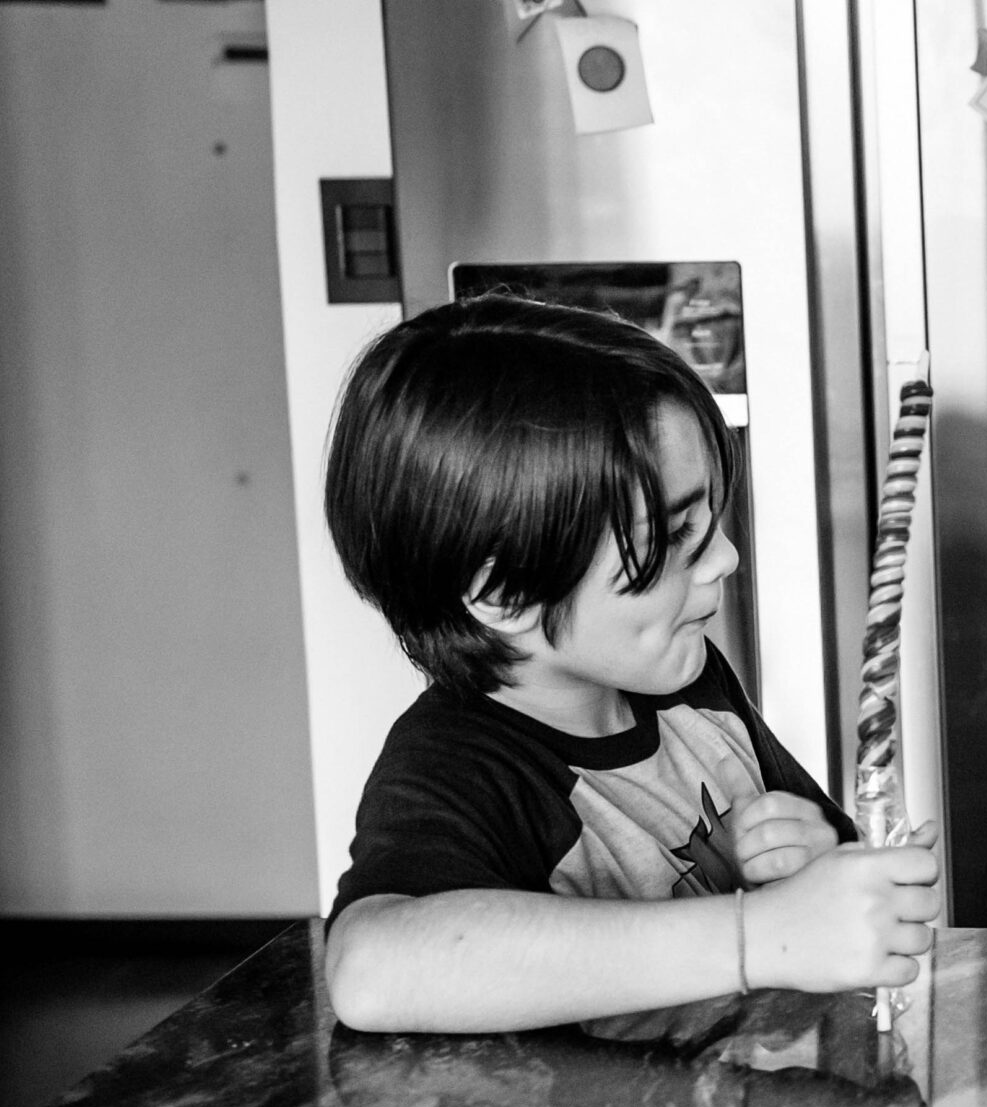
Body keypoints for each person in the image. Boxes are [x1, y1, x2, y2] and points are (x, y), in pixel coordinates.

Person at [321, 294, 941, 1032]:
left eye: (710, 520)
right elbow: (371, 971)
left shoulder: (692, 689)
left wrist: (813, 859)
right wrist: (756, 936)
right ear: (505, 592)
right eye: (673, 536)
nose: (725, 558)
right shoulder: (464, 766)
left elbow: (828, 889)